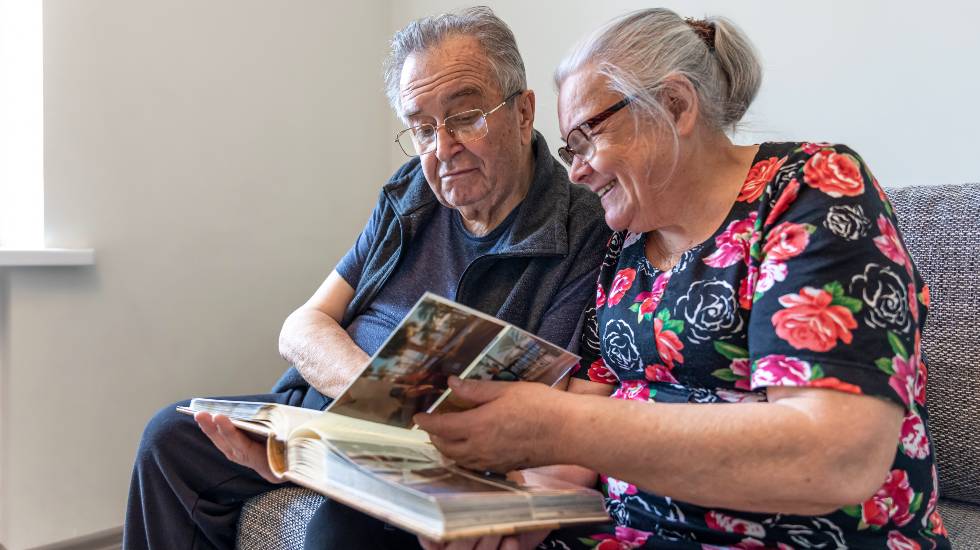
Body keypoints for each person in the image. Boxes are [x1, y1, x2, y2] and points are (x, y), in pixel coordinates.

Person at [414, 8, 951, 549]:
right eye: (567, 150)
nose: (574, 171)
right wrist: (524, 510)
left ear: (675, 105)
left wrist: (554, 424)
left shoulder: (810, 192)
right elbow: (582, 437)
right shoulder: (624, 251)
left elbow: (837, 456)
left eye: (585, 138)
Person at [122, 7, 609, 549]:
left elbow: (559, 406)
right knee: (169, 437)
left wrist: (392, 428)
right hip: (336, 416)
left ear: (522, 114)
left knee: (339, 534)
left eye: (465, 116)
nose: (443, 149)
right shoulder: (412, 195)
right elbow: (303, 327)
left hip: (442, 450)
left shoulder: (580, 227)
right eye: (422, 129)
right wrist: (375, 405)